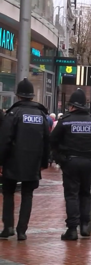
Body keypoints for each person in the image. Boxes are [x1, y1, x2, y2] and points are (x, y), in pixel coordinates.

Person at [50, 88, 91, 240]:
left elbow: (52, 141)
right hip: (88, 162)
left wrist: (60, 158)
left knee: (71, 195)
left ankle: (72, 229)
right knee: (85, 194)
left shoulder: (66, 120)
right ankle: (85, 226)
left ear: (73, 106)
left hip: (71, 162)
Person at [0, 78, 50, 241]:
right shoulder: (41, 115)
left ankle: (8, 227)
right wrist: (43, 163)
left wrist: (1, 161)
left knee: (8, 193)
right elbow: (46, 140)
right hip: (33, 162)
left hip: (12, 162)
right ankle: (22, 230)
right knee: (27, 195)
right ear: (32, 96)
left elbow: (5, 139)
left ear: (18, 95)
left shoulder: (13, 113)